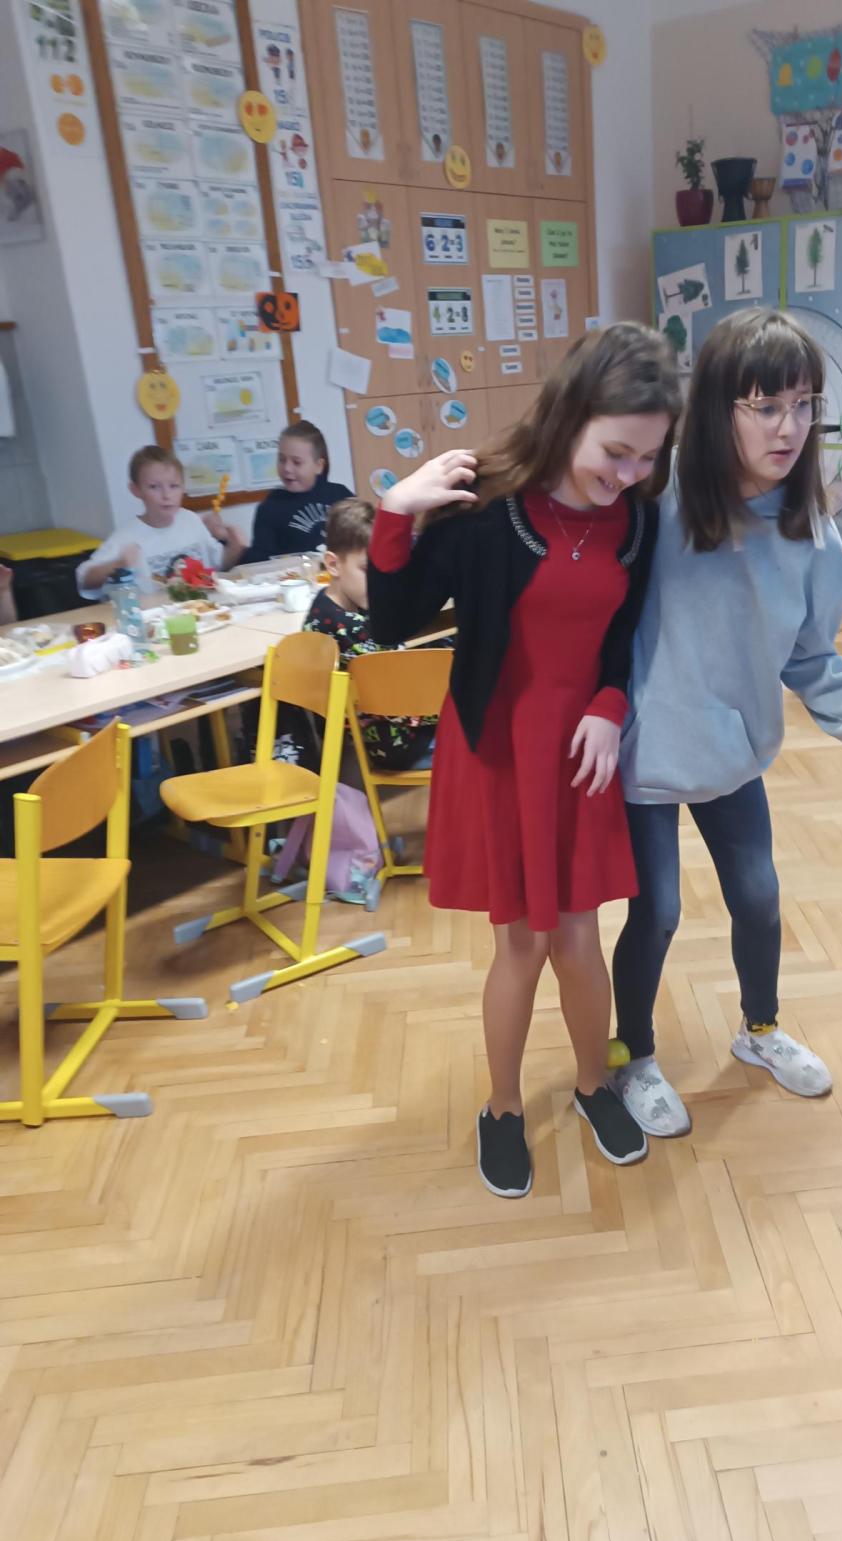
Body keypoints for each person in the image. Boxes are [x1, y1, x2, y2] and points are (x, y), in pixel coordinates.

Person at [610, 308, 842, 1137]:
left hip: (734, 754)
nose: (790, 427)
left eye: (805, 405)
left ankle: (760, 1030)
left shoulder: (811, 534)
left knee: (760, 899)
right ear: (720, 409)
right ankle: (634, 1055)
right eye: (767, 406)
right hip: (644, 753)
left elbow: (813, 662)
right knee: (656, 912)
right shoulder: (656, 498)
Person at [368, 322, 682, 1198]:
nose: (629, 474)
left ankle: (592, 1085)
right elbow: (392, 620)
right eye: (615, 452)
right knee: (523, 944)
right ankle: (502, 1107)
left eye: (647, 458)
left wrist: (611, 706)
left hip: (582, 755)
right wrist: (396, 511)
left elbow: (624, 634)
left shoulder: (638, 519)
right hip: (501, 752)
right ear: (571, 414)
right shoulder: (487, 508)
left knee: (578, 939)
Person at [304, 495, 443, 772]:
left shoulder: (324, 607)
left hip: (372, 737)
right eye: (367, 570)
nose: (379, 582)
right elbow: (404, 705)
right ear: (333, 565)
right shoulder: (351, 630)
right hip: (397, 745)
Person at [77, 446, 244, 600]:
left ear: (183, 488)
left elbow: (220, 567)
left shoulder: (190, 520)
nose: (166, 495)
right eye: (154, 487)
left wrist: (235, 546)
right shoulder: (126, 538)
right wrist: (118, 564)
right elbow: (84, 580)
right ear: (136, 490)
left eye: (174, 486)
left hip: (203, 609)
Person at [245, 421, 351, 562]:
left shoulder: (341, 495)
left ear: (319, 466)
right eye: (282, 460)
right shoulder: (271, 506)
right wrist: (235, 546)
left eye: (297, 462)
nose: (287, 468)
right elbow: (259, 561)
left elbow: (363, 541)